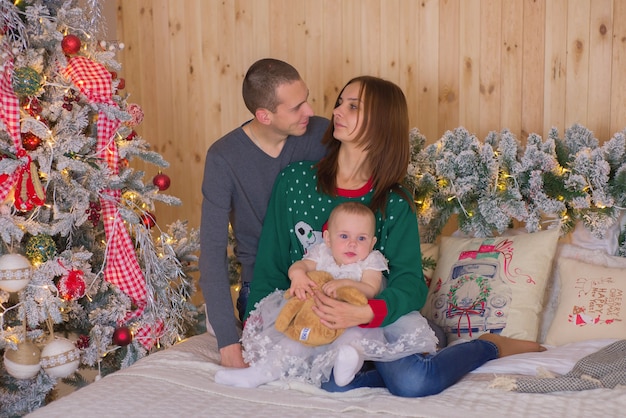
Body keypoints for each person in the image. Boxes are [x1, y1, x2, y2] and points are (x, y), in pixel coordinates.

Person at [242, 75, 545, 397]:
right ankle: (388, 356)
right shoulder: (295, 182)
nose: (337, 112)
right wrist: (253, 332)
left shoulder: (393, 201)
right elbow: (270, 266)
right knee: (329, 384)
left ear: (382, 123)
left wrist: (367, 312)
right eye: (340, 103)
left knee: (415, 383)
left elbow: (410, 282)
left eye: (354, 106)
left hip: (372, 317)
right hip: (314, 317)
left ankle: (488, 346)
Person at [214, 201, 437, 388]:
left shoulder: (371, 261)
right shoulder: (322, 253)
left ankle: (347, 364)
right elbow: (299, 266)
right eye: (344, 236)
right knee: (292, 343)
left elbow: (371, 289)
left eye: (361, 239)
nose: (352, 243)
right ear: (328, 238)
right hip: (316, 318)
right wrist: (299, 276)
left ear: (372, 242)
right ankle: (258, 374)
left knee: (353, 341)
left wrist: (345, 284)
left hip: (353, 319)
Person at [200, 58, 329, 368]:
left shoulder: (322, 135)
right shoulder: (223, 158)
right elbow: (213, 251)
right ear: (264, 115)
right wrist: (228, 342)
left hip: (323, 278)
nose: (309, 111)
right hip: (261, 287)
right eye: (297, 107)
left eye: (307, 99)